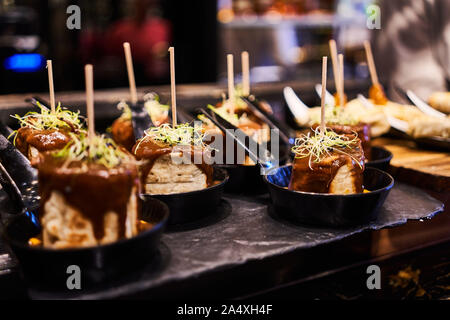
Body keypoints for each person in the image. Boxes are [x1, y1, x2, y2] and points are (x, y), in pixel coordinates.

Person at [371, 0, 450, 102]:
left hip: (395, 88)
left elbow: (375, 43)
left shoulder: (375, 5)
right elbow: (446, 43)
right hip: (430, 91)